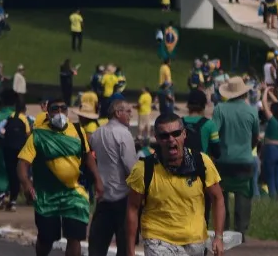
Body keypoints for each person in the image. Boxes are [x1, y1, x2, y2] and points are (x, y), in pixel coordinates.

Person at [125, 112, 226, 256]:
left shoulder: (201, 163)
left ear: (184, 134)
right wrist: (130, 250)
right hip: (158, 240)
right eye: (164, 136)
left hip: (195, 241)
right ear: (157, 139)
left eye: (176, 133)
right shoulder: (144, 169)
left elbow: (218, 198)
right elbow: (133, 208)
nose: (171, 139)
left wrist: (218, 237)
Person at [18, 98, 103, 256]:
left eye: (63, 109)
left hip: (74, 194)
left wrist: (98, 179)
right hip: (46, 196)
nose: (59, 113)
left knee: (75, 236)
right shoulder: (38, 136)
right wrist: (26, 184)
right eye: (55, 109)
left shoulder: (78, 131)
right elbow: (23, 164)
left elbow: (88, 156)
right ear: (48, 113)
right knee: (46, 238)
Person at [212, 76, 260, 238]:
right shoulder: (252, 111)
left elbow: (214, 134)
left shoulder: (220, 109)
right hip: (245, 160)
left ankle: (223, 229)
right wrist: (248, 148)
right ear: (244, 93)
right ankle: (241, 230)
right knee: (244, 194)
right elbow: (256, 138)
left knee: (221, 195)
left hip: (224, 160)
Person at [88, 100, 137, 256]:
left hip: (103, 197)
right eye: (128, 111)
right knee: (124, 247)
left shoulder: (97, 133)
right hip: (123, 198)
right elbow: (132, 168)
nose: (131, 115)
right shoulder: (124, 134)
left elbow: (89, 156)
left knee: (97, 247)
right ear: (118, 113)